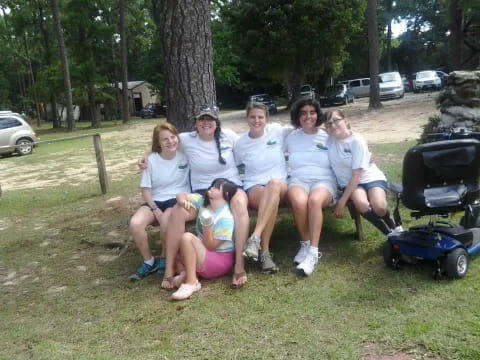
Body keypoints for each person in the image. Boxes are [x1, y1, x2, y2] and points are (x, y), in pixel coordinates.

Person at [141, 106, 249, 289]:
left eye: (210, 119)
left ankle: (239, 263)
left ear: (217, 122)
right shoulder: (186, 139)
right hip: (202, 191)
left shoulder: (229, 135)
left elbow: (246, 149)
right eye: (202, 120)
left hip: (231, 187)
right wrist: (145, 157)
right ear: (196, 123)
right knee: (178, 210)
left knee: (239, 204)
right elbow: (163, 144)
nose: (206, 123)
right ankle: (169, 269)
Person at [234, 102, 291, 273]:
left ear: (266, 119)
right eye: (253, 117)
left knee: (273, 185)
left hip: (280, 185)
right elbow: (231, 164)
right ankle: (264, 253)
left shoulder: (277, 131)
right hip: (254, 186)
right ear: (247, 118)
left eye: (260, 117)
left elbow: (304, 128)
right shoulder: (240, 143)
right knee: (269, 198)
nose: (256, 120)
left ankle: (255, 238)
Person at [129, 122, 190, 281]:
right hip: (155, 200)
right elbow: (145, 190)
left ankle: (164, 258)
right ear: (158, 143)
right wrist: (154, 208)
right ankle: (149, 262)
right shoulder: (151, 160)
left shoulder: (185, 155)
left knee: (165, 221)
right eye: (164, 140)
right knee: (135, 224)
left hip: (176, 199)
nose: (170, 142)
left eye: (172, 137)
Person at [324, 109, 399, 235]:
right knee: (362, 204)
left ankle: (393, 224)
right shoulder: (330, 140)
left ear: (346, 121)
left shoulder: (357, 141)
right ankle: (389, 234)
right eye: (328, 123)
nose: (332, 125)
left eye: (336, 120)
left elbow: (356, 176)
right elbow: (313, 129)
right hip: (350, 184)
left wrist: (341, 202)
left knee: (380, 207)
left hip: (369, 177)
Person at [285, 98, 337, 276]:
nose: (308, 116)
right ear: (297, 117)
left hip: (324, 180)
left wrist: (368, 157)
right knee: (299, 202)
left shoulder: (328, 136)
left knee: (314, 201)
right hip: (298, 180)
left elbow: (349, 144)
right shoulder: (290, 137)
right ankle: (305, 244)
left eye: (312, 112)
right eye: (303, 113)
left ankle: (313, 253)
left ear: (318, 114)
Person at [169, 178, 238, 300]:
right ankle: (186, 273)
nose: (211, 188)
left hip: (219, 260)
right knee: (178, 255)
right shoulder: (203, 202)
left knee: (187, 238)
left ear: (226, 194)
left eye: (216, 187)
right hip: (205, 253)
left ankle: (191, 282)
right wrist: (183, 202)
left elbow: (211, 246)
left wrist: (207, 225)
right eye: (212, 185)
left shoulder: (225, 217)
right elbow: (181, 194)